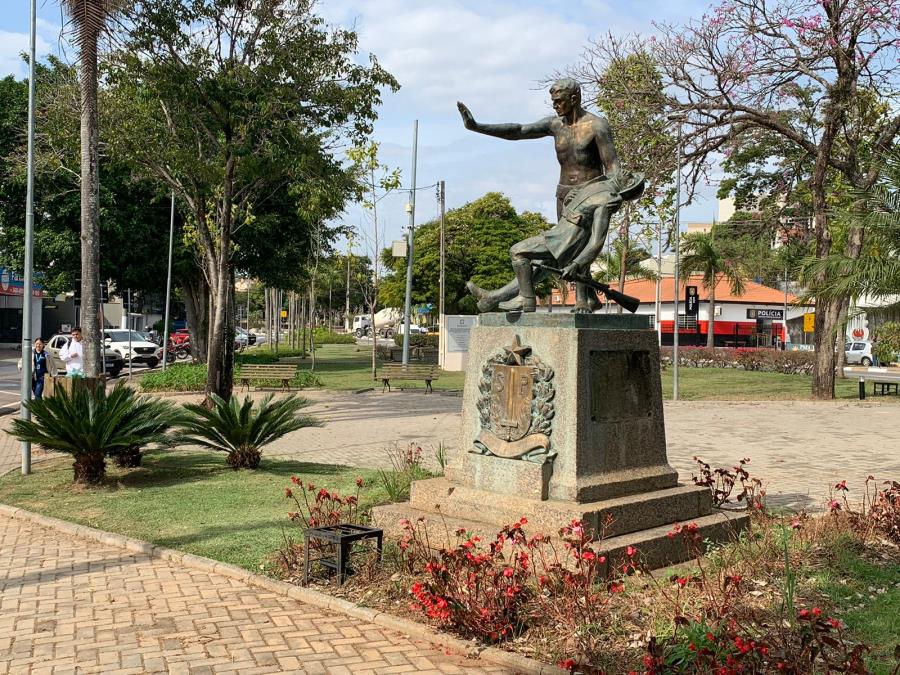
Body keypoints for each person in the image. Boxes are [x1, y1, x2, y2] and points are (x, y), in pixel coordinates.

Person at [458, 78, 624, 312]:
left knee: (573, 248)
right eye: (553, 101)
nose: (555, 106)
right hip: (564, 195)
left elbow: (613, 167)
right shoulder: (555, 125)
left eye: (559, 101)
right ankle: (586, 298)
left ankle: (581, 300)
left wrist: (609, 197)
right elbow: (519, 131)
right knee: (561, 251)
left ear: (574, 99)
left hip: (589, 196)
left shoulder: (597, 126)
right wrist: (478, 127)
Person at [466, 173, 644, 312]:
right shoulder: (601, 184)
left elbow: (597, 241)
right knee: (531, 272)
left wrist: (576, 264)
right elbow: (578, 207)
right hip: (558, 233)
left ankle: (526, 299)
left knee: (517, 251)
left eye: (631, 178)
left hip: (568, 242)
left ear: (627, 187)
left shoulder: (609, 200)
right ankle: (492, 299)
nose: (628, 173)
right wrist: (570, 200)